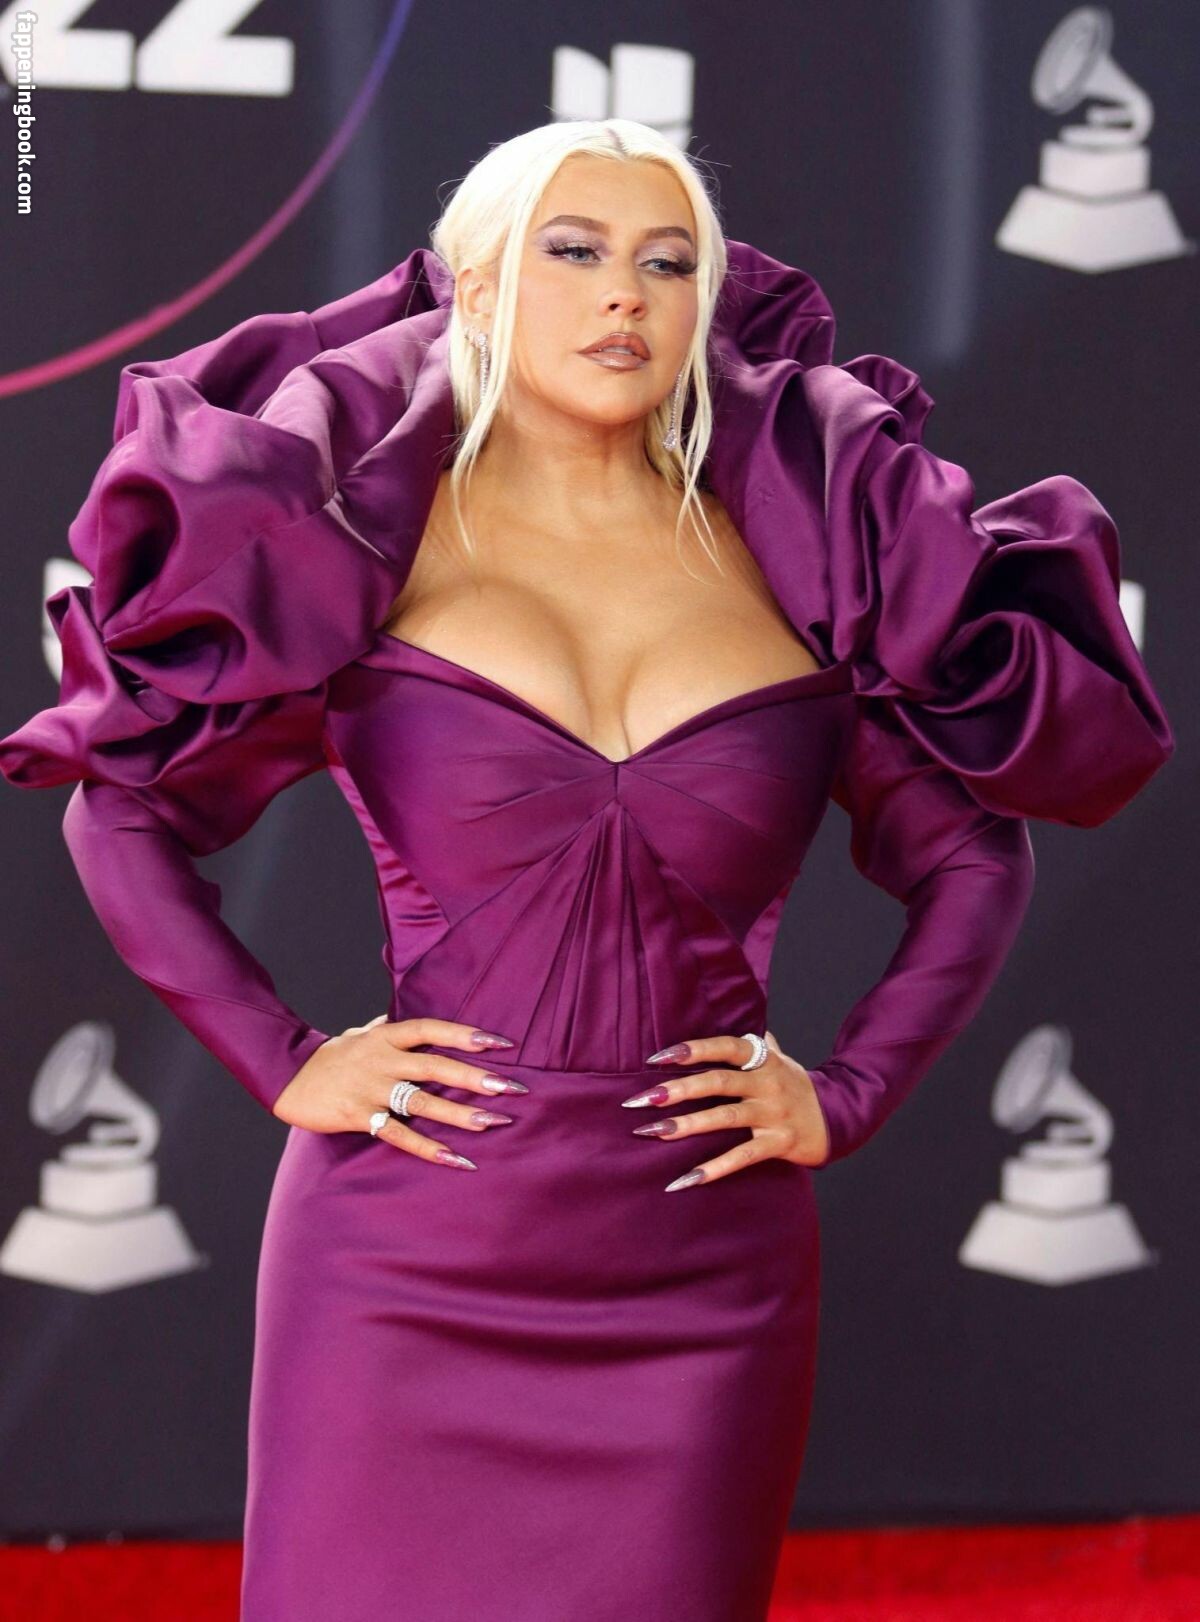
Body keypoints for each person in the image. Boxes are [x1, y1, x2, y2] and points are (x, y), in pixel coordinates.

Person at [0, 118, 1174, 1620]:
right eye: (576, 251)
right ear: (479, 286)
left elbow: (973, 852)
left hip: (705, 1270)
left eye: (668, 262)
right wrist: (287, 1061)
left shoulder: (804, 560)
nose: (626, 292)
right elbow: (119, 810)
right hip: (400, 1258)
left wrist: (849, 1089)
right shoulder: (364, 552)